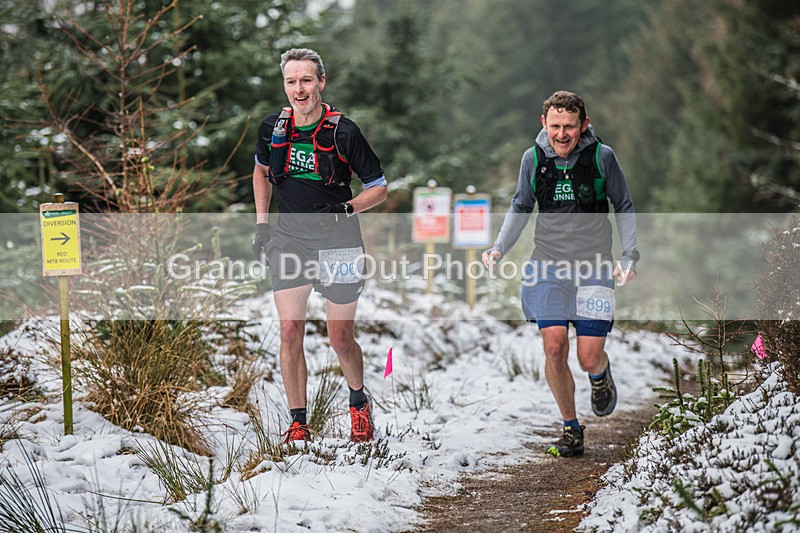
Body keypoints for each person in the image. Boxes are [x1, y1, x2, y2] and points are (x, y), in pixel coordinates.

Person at [482, 91, 638, 457]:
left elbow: (625, 204)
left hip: (595, 266)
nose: (562, 134)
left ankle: (599, 375)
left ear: (583, 125)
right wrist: (498, 247)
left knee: (587, 357)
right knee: (553, 346)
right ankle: (571, 428)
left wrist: (630, 254)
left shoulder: (602, 157)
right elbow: (521, 205)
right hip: (547, 265)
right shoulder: (533, 159)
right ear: (544, 124)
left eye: (569, 126)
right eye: (555, 126)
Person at [252, 48, 388, 443]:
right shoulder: (272, 127)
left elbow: (378, 188)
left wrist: (346, 209)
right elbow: (261, 172)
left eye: (306, 80)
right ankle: (298, 422)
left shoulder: (344, 132)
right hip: (291, 240)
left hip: (340, 243)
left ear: (321, 83)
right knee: (291, 329)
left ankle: (358, 404)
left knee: (340, 338)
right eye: (291, 81)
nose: (299, 89)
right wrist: (262, 227)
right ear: (285, 85)